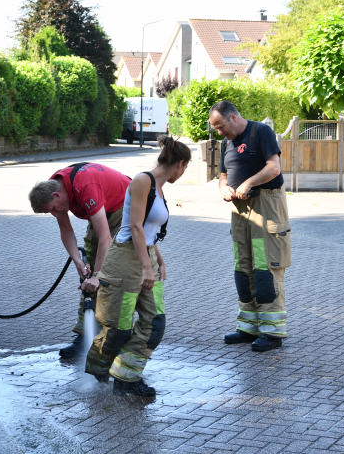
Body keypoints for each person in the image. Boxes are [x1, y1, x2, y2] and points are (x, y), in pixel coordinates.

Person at [85, 136, 190, 396]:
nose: (184, 173)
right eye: (185, 168)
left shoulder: (160, 187)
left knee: (155, 323)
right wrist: (146, 267)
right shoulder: (143, 181)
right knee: (118, 329)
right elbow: (134, 226)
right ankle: (98, 374)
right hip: (124, 260)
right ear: (179, 163)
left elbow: (150, 231)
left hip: (147, 257)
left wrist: (158, 261)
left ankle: (126, 377)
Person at [210, 101, 291, 352]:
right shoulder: (227, 142)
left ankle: (272, 332)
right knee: (243, 267)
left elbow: (274, 168)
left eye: (221, 126)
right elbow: (223, 174)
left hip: (265, 205)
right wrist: (224, 188)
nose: (220, 132)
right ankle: (248, 326)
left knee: (266, 267)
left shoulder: (261, 132)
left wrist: (248, 183)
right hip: (239, 209)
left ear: (233, 117)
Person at [29, 162, 130, 358]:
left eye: (52, 209)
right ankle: (84, 338)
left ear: (56, 196)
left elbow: (105, 238)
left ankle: (113, 339)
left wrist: (98, 276)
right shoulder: (54, 188)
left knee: (110, 274)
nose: (54, 213)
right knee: (88, 276)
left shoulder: (85, 188)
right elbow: (66, 230)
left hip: (124, 210)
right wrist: (77, 261)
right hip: (101, 211)